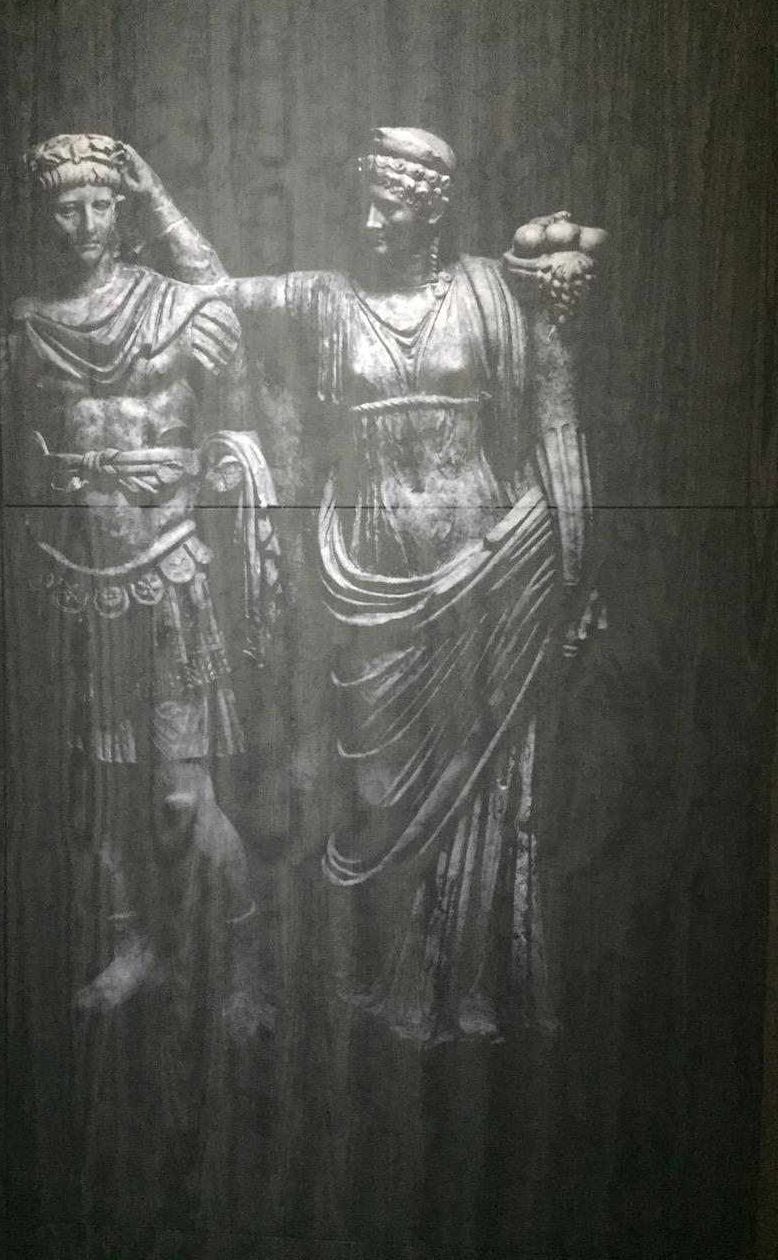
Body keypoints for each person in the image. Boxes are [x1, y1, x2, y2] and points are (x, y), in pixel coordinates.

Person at [125, 126, 602, 1045]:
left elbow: (557, 423)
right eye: (365, 205)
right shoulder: (323, 298)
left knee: (487, 782)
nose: (372, 223)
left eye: (392, 208)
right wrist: (146, 196)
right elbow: (210, 288)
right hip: (371, 580)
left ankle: (468, 983)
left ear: (434, 211)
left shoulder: (495, 290)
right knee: (379, 790)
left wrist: (577, 571)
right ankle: (387, 980)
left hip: (493, 567)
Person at [0, 134, 279, 1029]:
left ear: (124, 208)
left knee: (181, 795)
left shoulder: (180, 306)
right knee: (98, 794)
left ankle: (244, 969)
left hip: (168, 573)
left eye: (101, 203)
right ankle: (135, 946)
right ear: (43, 217)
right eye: (65, 206)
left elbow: (233, 333)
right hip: (76, 580)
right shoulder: (20, 328)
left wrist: (155, 191)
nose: (83, 222)